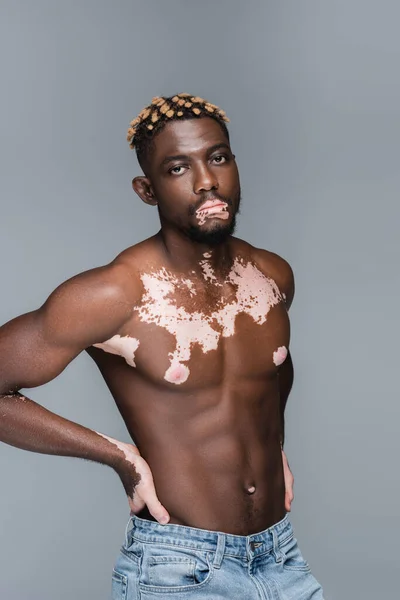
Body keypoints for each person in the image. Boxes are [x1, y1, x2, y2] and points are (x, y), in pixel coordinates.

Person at [0, 93, 324, 599]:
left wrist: (274, 441)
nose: (207, 181)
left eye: (218, 158)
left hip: (280, 556)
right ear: (147, 191)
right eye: (178, 168)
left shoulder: (270, 276)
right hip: (178, 568)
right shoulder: (115, 294)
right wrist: (119, 456)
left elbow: (274, 368)